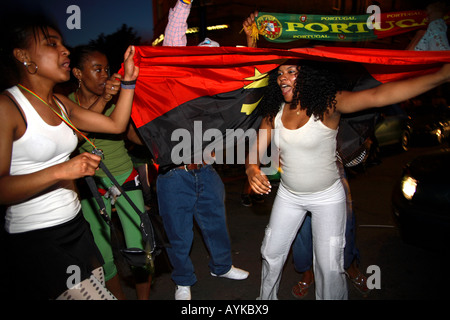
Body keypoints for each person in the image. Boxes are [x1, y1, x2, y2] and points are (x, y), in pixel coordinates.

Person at [243, 28, 450, 298]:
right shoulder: (275, 112)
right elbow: (254, 152)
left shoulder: (329, 105)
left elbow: (379, 96)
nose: (283, 78)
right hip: (289, 196)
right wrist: (252, 169)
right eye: (280, 73)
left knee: (329, 266)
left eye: (291, 71)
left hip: (328, 197)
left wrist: (441, 76)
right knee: (271, 252)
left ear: (308, 75)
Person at [0, 13, 139, 300]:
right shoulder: (8, 106)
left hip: (76, 226)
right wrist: (62, 171)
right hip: (38, 239)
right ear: (23, 55)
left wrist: (128, 81)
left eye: (63, 43)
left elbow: (116, 125)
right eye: (52, 44)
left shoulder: (59, 103)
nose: (65, 50)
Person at [158, 0, 249, 300]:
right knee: (179, 234)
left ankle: (221, 266)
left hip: (206, 170)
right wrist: (184, 4)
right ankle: (183, 280)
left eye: (213, 63)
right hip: (174, 175)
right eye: (203, 60)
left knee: (216, 223)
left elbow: (250, 75)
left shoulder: (217, 96)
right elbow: (172, 41)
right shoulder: (177, 83)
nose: (208, 67)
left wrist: (252, 41)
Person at [69, 45, 151, 300]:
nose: (104, 74)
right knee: (103, 255)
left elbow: (127, 132)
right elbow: (75, 132)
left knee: (140, 249)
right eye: (97, 69)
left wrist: (156, 135)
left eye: (106, 69)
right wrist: (103, 99)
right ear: (78, 73)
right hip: (89, 187)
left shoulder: (118, 100)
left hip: (124, 177)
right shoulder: (65, 105)